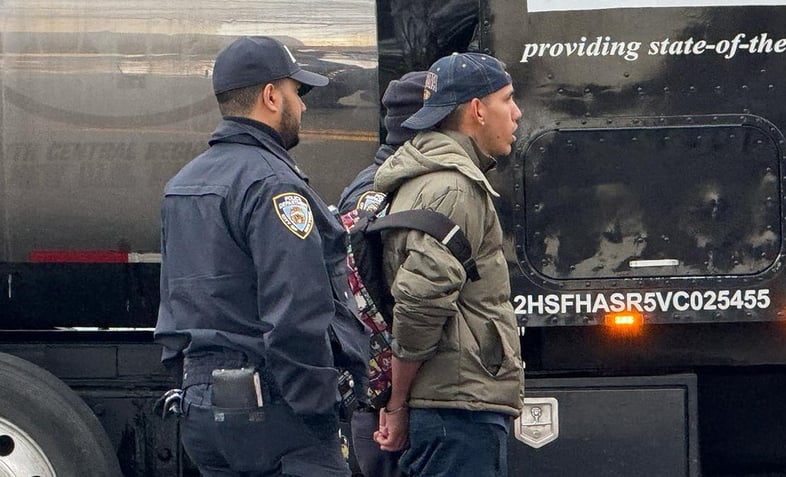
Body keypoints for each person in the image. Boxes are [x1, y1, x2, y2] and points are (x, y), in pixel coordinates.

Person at [154, 36, 367, 477]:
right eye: (297, 92)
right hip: (277, 417)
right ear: (271, 96)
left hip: (203, 412)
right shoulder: (273, 185)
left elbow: (173, 304)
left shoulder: (182, 184)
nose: (303, 107)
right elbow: (296, 308)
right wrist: (320, 407)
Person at [371, 52, 525, 476]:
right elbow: (420, 305)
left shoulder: (431, 179)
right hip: (457, 411)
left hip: (454, 405)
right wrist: (397, 402)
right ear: (477, 109)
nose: (517, 112)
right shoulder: (453, 188)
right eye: (507, 99)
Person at [338, 70, 428, 477]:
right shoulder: (385, 194)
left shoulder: (369, 185)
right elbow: (375, 305)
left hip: (377, 397)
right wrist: (395, 397)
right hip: (385, 400)